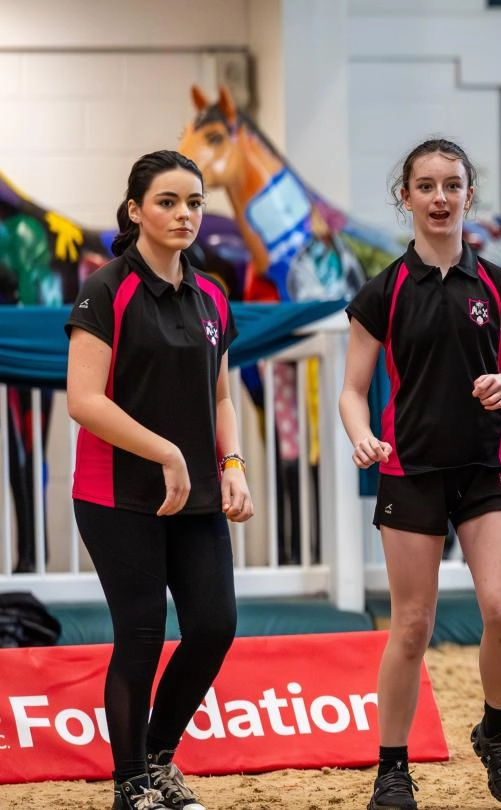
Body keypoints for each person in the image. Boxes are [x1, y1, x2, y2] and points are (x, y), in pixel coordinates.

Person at [340, 139, 501, 809]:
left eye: (451, 185)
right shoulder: (383, 292)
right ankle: (391, 768)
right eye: (425, 186)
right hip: (411, 467)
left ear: (468, 195)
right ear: (406, 198)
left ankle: (497, 731)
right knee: (412, 625)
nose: (439, 197)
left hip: (490, 463)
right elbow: (351, 390)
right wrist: (363, 434)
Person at [65, 149, 254, 810]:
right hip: (116, 496)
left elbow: (221, 397)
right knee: (141, 633)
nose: (183, 215)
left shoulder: (212, 296)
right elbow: (83, 400)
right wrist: (166, 453)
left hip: (198, 495)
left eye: (195, 202)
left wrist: (230, 465)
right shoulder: (105, 288)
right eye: (168, 202)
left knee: (214, 627)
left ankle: (159, 760)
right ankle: (131, 787)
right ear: (136, 210)